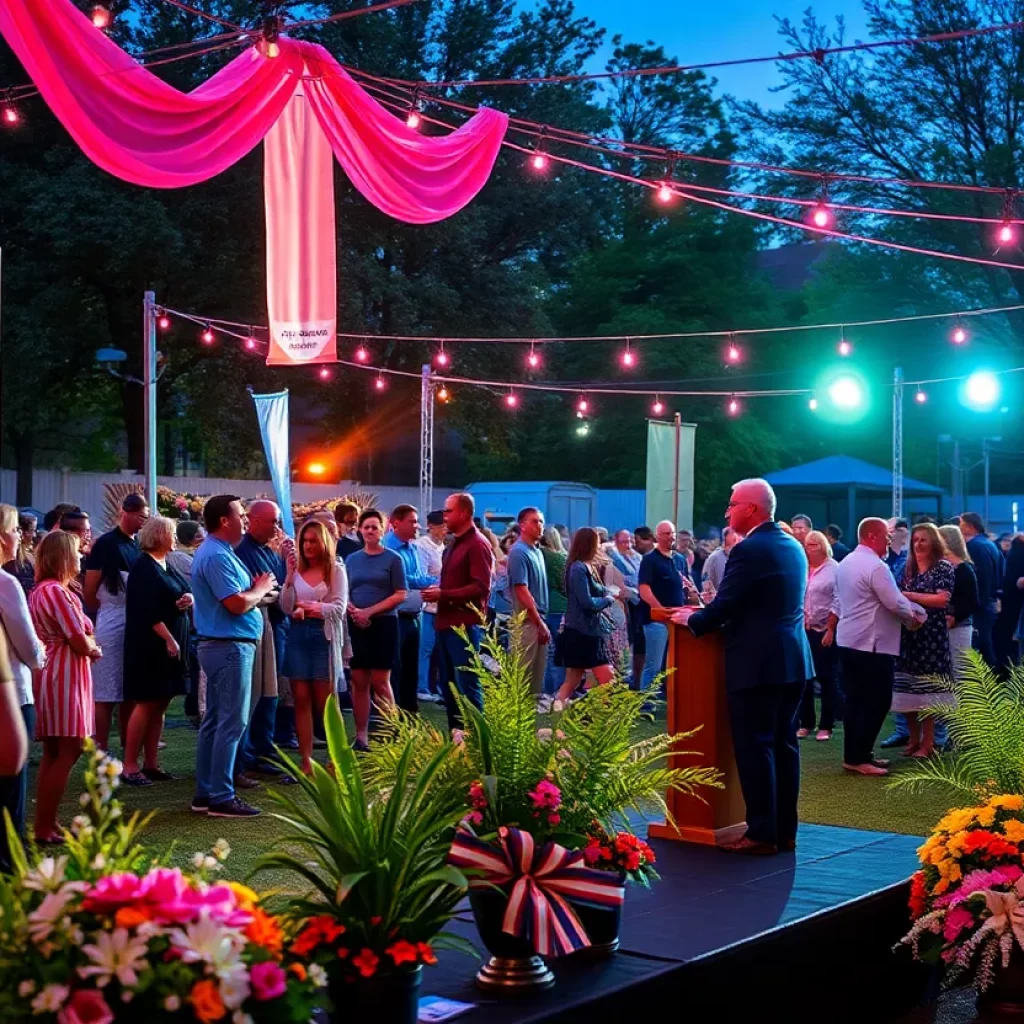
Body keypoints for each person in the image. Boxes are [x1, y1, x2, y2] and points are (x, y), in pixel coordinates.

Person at [676, 479, 813, 856]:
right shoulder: (792, 545)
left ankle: (761, 834)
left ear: (752, 508)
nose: (727, 511)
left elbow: (723, 607)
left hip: (757, 665)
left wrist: (690, 618)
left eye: (732, 504)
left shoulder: (750, 549)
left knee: (756, 749)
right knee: (785, 747)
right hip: (793, 661)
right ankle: (785, 830)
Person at [190, 495, 278, 819]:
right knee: (231, 722)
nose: (245, 519)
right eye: (241, 515)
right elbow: (236, 604)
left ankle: (207, 792)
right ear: (224, 520)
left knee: (216, 721)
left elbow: (240, 598)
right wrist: (261, 588)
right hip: (229, 645)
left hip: (226, 644)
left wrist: (255, 591)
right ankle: (221, 796)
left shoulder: (219, 551)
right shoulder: (216, 554)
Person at [835, 518, 926, 777]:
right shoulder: (876, 566)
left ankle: (856, 755)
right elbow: (894, 602)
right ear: (872, 536)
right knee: (877, 700)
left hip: (850, 639)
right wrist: (916, 615)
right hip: (872, 644)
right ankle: (859, 756)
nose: (889, 541)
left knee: (856, 700)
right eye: (886, 536)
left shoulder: (846, 562)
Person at [29, 531, 101, 843]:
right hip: (64, 673)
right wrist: (92, 647)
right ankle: (45, 825)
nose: (81, 556)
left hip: (55, 671)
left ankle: (47, 821)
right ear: (63, 557)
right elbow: (77, 638)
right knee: (68, 749)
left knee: (54, 750)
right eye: (76, 552)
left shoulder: (41, 590)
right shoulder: (55, 591)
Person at [120, 517, 192, 786]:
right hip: (151, 644)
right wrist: (169, 638)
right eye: (171, 533)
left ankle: (151, 763)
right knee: (146, 702)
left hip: (172, 641)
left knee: (160, 703)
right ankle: (129, 764)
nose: (175, 538)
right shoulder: (143, 566)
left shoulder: (166, 563)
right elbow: (145, 609)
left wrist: (189, 599)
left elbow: (185, 590)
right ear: (159, 535)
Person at [421, 493, 493, 738]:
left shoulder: (477, 544)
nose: (445, 516)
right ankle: (457, 739)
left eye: (449, 511)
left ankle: (477, 741)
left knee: (467, 685)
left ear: (464, 513)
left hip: (464, 625)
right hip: (445, 622)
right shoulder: (454, 544)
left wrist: (444, 594)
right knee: (449, 686)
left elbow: (481, 586)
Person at [280, 519, 348, 774]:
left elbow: (339, 609)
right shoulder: (296, 570)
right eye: (304, 541)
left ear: (323, 542)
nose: (308, 546)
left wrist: (311, 608)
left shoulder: (336, 569)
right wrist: (288, 578)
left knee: (326, 703)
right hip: (297, 637)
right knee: (301, 700)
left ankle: (335, 759)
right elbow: (286, 607)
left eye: (313, 541)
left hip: (324, 638)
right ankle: (306, 761)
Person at [83, 492, 148, 751]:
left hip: (134, 623)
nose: (144, 521)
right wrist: (108, 609)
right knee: (106, 692)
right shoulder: (106, 544)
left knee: (129, 692)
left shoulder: (137, 545)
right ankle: (101, 747)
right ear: (126, 512)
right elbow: (90, 590)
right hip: (111, 621)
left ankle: (128, 744)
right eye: (141, 516)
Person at [0, 504, 44, 868]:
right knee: (11, 791)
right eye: (16, 530)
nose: (20, 537)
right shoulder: (6, 582)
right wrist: (41, 653)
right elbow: (28, 646)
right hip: (11, 694)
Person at [234, 500, 289, 784]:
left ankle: (262, 751)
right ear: (253, 520)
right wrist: (269, 592)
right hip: (259, 630)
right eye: (272, 522)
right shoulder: (242, 552)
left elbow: (278, 587)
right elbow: (257, 593)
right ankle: (247, 756)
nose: (277, 528)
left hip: (277, 626)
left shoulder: (270, 552)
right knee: (256, 694)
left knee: (271, 693)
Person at [345, 509, 407, 750]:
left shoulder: (393, 559)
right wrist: (354, 611)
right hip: (356, 624)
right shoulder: (352, 559)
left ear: (383, 530)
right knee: (359, 681)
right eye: (366, 527)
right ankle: (361, 736)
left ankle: (391, 733)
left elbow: (400, 594)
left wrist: (369, 612)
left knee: (381, 681)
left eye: (374, 527)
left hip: (383, 624)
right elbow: (345, 590)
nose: (370, 531)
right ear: (360, 530)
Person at [892, 524, 954, 758]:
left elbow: (942, 600)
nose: (917, 544)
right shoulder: (906, 567)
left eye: (923, 540)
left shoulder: (943, 567)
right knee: (906, 688)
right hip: (908, 636)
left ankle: (929, 743)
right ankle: (913, 739)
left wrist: (908, 596)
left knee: (928, 692)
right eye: (915, 540)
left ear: (934, 543)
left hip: (932, 638)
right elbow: (892, 593)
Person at [553, 527, 616, 708]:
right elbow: (587, 602)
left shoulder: (583, 566)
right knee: (607, 678)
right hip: (583, 633)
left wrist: (607, 592)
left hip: (584, 630)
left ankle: (559, 716)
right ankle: (592, 715)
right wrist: (607, 600)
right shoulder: (578, 568)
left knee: (572, 680)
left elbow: (596, 589)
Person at [384, 504, 437, 714]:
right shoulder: (387, 548)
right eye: (413, 521)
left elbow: (418, 576)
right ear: (396, 522)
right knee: (394, 670)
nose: (418, 526)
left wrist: (435, 581)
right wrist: (432, 581)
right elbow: (404, 579)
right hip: (395, 616)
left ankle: (408, 716)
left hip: (414, 615)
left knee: (410, 669)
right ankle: (392, 718)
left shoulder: (412, 547)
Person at [638, 520, 690, 693]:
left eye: (672, 533)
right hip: (656, 620)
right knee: (654, 664)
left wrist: (693, 596)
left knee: (673, 663)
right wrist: (661, 610)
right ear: (657, 537)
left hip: (677, 618)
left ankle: (670, 698)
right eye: (667, 534)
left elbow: (686, 584)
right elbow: (644, 589)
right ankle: (646, 703)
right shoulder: (650, 560)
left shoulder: (680, 560)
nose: (671, 537)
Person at [798, 530, 841, 741]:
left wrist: (831, 628)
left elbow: (838, 599)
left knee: (826, 678)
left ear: (824, 546)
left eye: (814, 544)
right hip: (804, 629)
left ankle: (826, 725)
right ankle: (806, 722)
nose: (810, 548)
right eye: (807, 545)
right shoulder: (803, 567)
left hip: (825, 629)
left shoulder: (834, 568)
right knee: (805, 677)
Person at [506, 507, 551, 700]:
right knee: (521, 680)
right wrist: (539, 622)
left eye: (541, 521)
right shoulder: (518, 552)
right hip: (527, 622)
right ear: (522, 525)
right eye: (535, 521)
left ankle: (528, 725)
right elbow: (521, 590)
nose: (540, 525)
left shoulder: (537, 552)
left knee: (535, 683)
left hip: (538, 619)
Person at [959, 512, 1001, 667]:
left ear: (970, 526)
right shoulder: (989, 544)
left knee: (980, 647)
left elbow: (982, 578)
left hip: (981, 606)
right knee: (985, 645)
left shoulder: (975, 546)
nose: (959, 527)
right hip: (989, 603)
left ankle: (989, 684)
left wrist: (976, 604)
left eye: (961, 524)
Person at [939, 524, 979, 684]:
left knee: (960, 673)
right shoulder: (941, 567)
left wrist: (954, 617)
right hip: (944, 625)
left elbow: (972, 602)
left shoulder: (965, 569)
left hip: (959, 626)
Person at [416, 510, 447, 703]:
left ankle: (437, 685)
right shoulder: (422, 547)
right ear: (431, 526)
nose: (446, 529)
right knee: (425, 648)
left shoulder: (443, 547)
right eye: (442, 526)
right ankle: (421, 686)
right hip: (427, 606)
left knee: (439, 649)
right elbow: (423, 575)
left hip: (441, 606)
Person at [609, 529, 643, 687]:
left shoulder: (637, 557)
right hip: (624, 605)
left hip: (639, 604)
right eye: (623, 541)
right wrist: (633, 587)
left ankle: (635, 680)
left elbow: (640, 579)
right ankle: (623, 680)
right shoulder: (613, 558)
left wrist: (634, 587)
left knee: (638, 645)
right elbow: (622, 584)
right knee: (624, 645)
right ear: (616, 541)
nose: (628, 544)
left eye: (629, 541)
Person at [539, 526, 568, 698]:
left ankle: (547, 689)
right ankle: (559, 689)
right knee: (561, 654)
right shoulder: (560, 558)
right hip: (561, 607)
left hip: (545, 606)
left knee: (549, 652)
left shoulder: (538, 554)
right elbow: (565, 585)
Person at [3, 511, 38, 596]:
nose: (34, 535)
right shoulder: (24, 560)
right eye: (32, 530)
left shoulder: (29, 558)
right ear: (21, 531)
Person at [701, 527, 739, 597]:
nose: (737, 536)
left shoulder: (739, 557)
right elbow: (706, 581)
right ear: (725, 537)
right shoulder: (714, 558)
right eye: (733, 533)